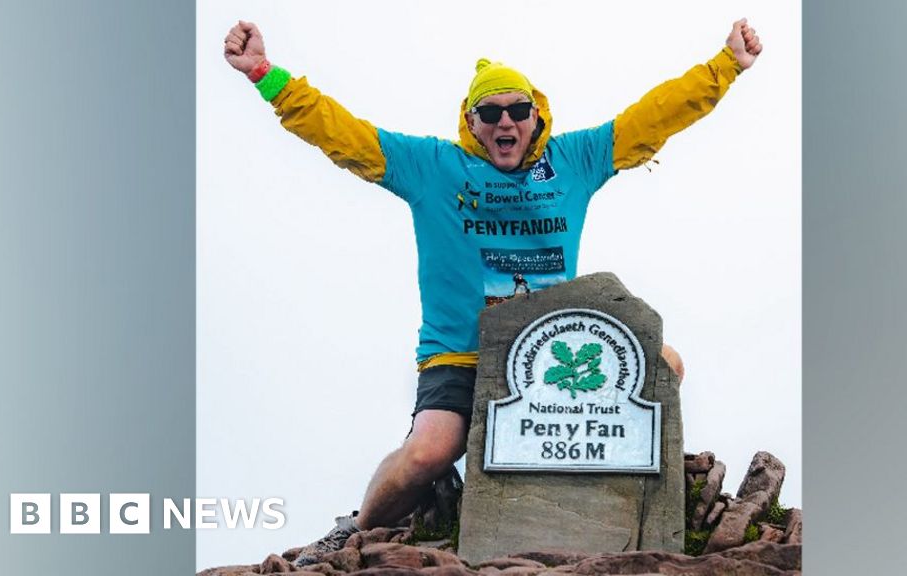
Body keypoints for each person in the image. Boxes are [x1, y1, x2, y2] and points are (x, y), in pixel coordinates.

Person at [223, 18, 761, 567]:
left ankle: (627, 505)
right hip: (458, 353)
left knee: (664, 366)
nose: (505, 121)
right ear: (472, 122)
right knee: (428, 454)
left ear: (535, 116)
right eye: (490, 113)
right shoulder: (432, 167)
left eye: (517, 111)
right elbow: (342, 133)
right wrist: (265, 74)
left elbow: (655, 115)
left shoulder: (576, 160)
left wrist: (725, 68)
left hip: (550, 351)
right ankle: (355, 528)